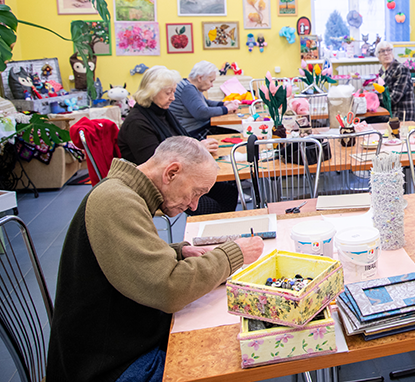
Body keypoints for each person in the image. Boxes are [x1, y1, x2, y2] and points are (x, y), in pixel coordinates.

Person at [47, 137, 264, 382]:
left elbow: (128, 257)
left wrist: (177, 252)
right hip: (109, 365)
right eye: (195, 193)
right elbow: (170, 289)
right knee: (228, 356)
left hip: (118, 343)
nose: (193, 206)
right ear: (171, 172)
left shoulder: (122, 192)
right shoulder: (116, 201)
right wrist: (232, 254)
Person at [117, 66, 236, 215]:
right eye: (168, 93)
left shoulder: (162, 112)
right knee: (210, 207)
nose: (173, 98)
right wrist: (198, 147)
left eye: (173, 92)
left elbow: (183, 140)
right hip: (158, 187)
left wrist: (197, 147)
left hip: (178, 176)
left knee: (228, 192)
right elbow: (157, 165)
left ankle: (220, 233)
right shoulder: (137, 123)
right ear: (151, 92)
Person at [170, 60, 239, 138]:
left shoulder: (190, 86)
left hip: (198, 129)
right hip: (192, 133)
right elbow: (202, 112)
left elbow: (205, 102)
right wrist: (226, 109)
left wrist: (223, 104)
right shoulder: (188, 89)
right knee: (236, 136)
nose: (212, 85)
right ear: (200, 78)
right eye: (211, 81)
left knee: (236, 134)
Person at [376, 41, 415, 121]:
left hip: (399, 116)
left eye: (389, 50)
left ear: (393, 53)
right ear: (378, 56)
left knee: (366, 123)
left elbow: (393, 99)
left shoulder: (401, 69)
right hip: (388, 112)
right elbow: (381, 93)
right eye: (382, 51)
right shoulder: (382, 71)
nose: (386, 53)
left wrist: (375, 99)